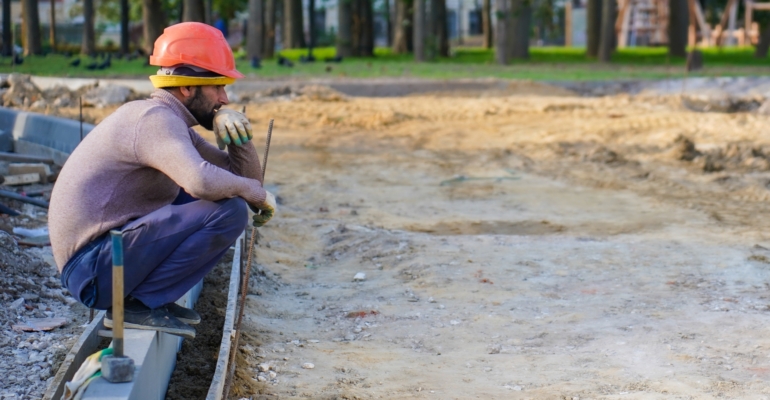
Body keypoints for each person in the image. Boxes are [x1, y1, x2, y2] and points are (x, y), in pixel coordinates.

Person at [50, 22, 276, 340]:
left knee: (222, 196)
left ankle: (145, 301)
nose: (224, 98)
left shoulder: (172, 123)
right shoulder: (154, 121)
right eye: (218, 87)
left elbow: (240, 178)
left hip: (102, 261)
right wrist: (254, 193)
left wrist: (239, 136)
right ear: (187, 88)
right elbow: (201, 180)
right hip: (93, 269)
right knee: (229, 209)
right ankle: (137, 306)